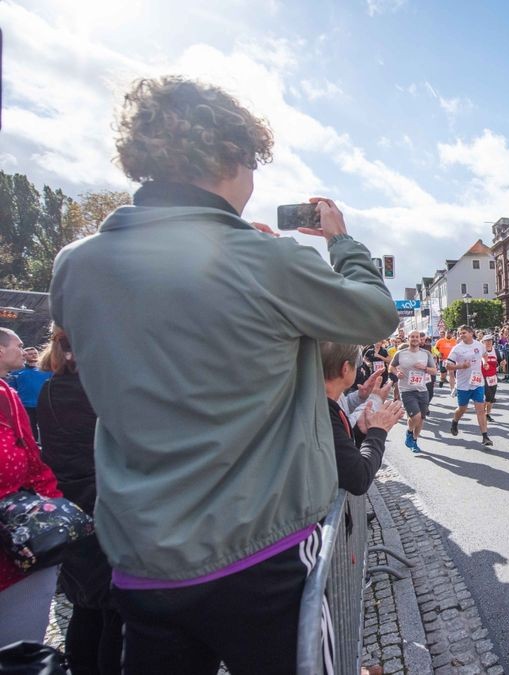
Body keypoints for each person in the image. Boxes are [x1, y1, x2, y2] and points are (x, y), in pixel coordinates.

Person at [48, 77, 397, 674]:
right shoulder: (264, 260)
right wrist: (342, 243)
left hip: (143, 559)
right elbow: (374, 311)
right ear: (231, 157)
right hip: (261, 555)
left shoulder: (76, 265)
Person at [36, 328, 122, 675]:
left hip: (72, 508)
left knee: (86, 606)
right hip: (103, 507)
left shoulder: (51, 388)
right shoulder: (95, 391)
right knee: (115, 609)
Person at [0, 328, 63, 646]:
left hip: (12, 553)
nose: (24, 351)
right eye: (18, 345)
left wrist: (53, 516)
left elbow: (31, 459)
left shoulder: (5, 395)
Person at [322, 343, 403, 493]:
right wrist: (378, 431)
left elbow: (342, 413)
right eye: (357, 367)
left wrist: (359, 430)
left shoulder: (322, 399)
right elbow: (358, 478)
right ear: (345, 369)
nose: (360, 371)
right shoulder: (322, 410)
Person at [447, 325, 493, 447]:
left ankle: (485, 436)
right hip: (463, 384)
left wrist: (485, 363)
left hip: (477, 382)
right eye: (460, 333)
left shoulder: (479, 345)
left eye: (464, 333)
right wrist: (461, 366)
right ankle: (455, 421)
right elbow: (447, 365)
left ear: (471, 333)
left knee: (480, 409)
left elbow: (484, 355)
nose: (461, 335)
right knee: (462, 408)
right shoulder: (457, 348)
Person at [393, 330, 438, 452]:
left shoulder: (426, 354)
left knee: (421, 418)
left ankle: (414, 440)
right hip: (407, 390)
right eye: (412, 336)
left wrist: (424, 368)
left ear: (420, 339)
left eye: (417, 337)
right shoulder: (400, 353)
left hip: (422, 390)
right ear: (408, 338)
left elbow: (434, 371)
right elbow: (391, 367)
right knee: (416, 416)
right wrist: (397, 372)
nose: (414, 339)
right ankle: (409, 432)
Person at [6, 346, 52, 443]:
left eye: (35, 353)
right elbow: (11, 389)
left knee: (47, 427)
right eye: (30, 354)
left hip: (44, 404)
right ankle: (33, 447)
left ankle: (48, 446)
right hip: (25, 405)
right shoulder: (16, 373)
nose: (33, 355)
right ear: (24, 356)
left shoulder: (47, 370)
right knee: (30, 428)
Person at [480, 334, 505, 422]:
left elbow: (500, 362)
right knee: (488, 396)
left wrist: (502, 363)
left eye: (490, 341)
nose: (489, 343)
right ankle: (481, 413)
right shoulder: (480, 352)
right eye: (486, 341)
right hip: (483, 377)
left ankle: (487, 414)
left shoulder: (496, 351)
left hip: (493, 377)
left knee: (491, 398)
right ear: (483, 342)